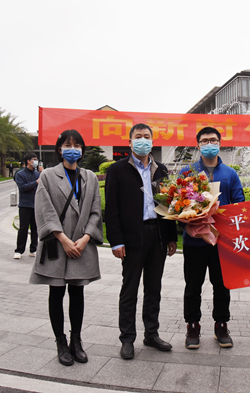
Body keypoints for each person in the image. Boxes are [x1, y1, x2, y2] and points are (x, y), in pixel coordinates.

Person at [30, 130, 103, 366]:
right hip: (58, 244)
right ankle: (61, 342)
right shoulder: (48, 176)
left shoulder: (90, 177)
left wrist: (85, 238)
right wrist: (63, 239)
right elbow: (45, 210)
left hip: (81, 245)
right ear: (60, 149)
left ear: (82, 149)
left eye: (77, 145)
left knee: (78, 293)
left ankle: (76, 341)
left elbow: (95, 212)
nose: (73, 149)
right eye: (68, 145)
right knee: (56, 292)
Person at [105, 123, 178, 360]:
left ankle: (151, 334)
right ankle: (127, 338)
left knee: (154, 289)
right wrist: (116, 241)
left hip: (157, 235)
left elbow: (168, 204)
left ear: (152, 142)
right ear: (130, 142)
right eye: (138, 137)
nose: (143, 140)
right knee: (130, 289)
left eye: (147, 136)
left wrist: (171, 237)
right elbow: (111, 209)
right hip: (132, 238)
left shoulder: (161, 170)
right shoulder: (117, 170)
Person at [182, 127, 245, 350]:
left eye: (213, 140)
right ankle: (192, 326)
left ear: (220, 142)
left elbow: (239, 203)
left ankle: (221, 325)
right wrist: (186, 218)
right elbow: (176, 204)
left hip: (222, 242)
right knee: (193, 286)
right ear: (198, 144)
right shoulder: (187, 172)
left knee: (222, 285)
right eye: (205, 141)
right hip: (194, 241)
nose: (209, 144)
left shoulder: (230, 173)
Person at [14, 153, 43, 259]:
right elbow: (22, 187)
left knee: (35, 228)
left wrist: (42, 173)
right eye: (34, 159)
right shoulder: (20, 174)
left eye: (36, 159)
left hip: (36, 204)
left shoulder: (38, 174)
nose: (35, 161)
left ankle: (33, 249)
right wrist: (36, 182)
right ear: (28, 161)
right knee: (23, 228)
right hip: (25, 205)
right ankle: (19, 250)